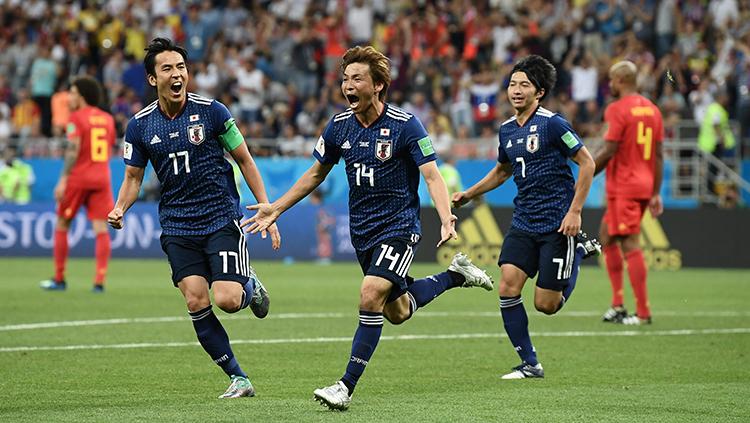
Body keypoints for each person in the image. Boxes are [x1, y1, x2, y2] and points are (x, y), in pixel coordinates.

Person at [242, 45, 494, 410]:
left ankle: (345, 386)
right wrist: (277, 208)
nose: (348, 85)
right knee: (398, 311)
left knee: (369, 294)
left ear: (377, 85)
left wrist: (444, 216)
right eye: (345, 79)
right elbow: (315, 173)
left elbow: (432, 175)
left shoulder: (406, 126)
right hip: (363, 232)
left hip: (399, 227)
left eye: (356, 78)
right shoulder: (339, 126)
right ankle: (457, 276)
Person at [106, 38, 281, 399]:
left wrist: (267, 206)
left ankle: (250, 286)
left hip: (219, 217)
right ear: (153, 79)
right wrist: (120, 207)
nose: (177, 74)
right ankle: (238, 378)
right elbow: (133, 178)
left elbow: (244, 160)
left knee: (228, 299)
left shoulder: (214, 112)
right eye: (167, 68)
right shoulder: (139, 126)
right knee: (196, 301)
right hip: (176, 225)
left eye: (181, 67)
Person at [452, 55, 600, 380]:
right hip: (523, 221)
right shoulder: (506, 130)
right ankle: (530, 363)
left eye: (525, 85)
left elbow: (587, 163)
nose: (516, 90)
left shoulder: (553, 124)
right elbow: (502, 172)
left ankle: (577, 253)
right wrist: (469, 194)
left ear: (540, 92)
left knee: (546, 305)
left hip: (558, 223)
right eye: (513, 84)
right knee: (507, 287)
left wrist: (575, 211)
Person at [594, 60, 664, 325]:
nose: (609, 85)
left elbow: (609, 150)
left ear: (620, 80)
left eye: (611, 80)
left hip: (625, 185)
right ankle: (617, 304)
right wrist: (655, 192)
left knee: (629, 243)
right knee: (606, 236)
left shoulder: (617, 109)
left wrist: (586, 175)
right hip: (643, 184)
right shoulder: (653, 111)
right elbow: (658, 155)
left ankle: (643, 312)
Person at [39, 76, 116, 292]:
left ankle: (59, 278)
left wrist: (63, 179)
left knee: (63, 223)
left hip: (79, 176)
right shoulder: (107, 119)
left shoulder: (76, 118)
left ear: (81, 96)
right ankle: (99, 281)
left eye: (72, 92)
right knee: (101, 228)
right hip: (102, 176)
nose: (70, 97)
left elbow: (73, 149)